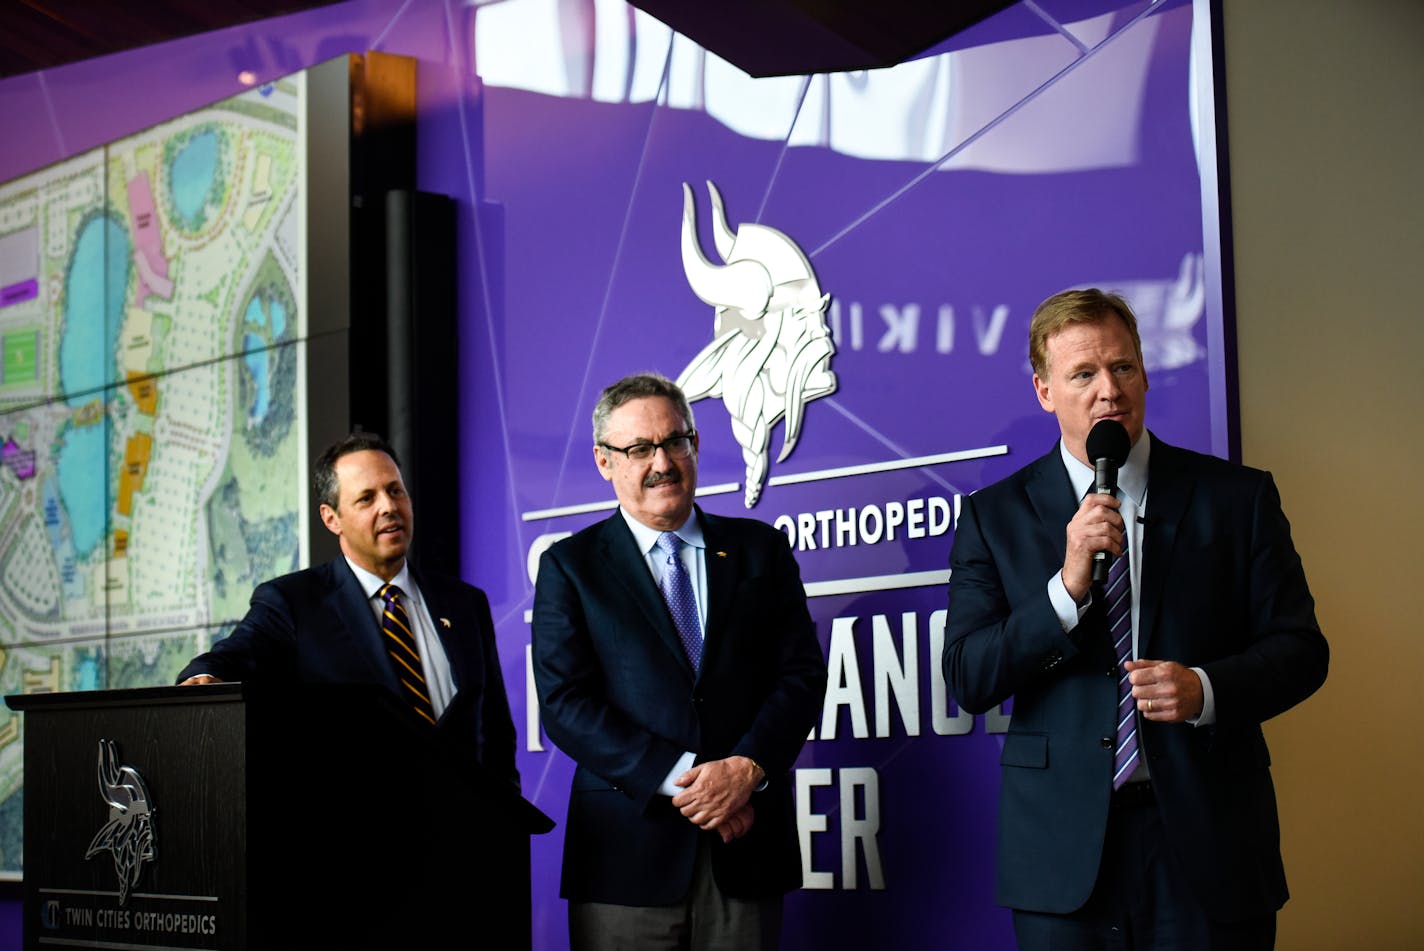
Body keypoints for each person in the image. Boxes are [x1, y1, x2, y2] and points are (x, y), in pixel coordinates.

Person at [943, 289, 1328, 949]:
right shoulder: (992, 516)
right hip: (1060, 856)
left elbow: (1301, 650)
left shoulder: (1237, 498)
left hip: (1208, 842)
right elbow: (969, 675)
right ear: (1044, 390)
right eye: (1083, 374)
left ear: (1145, 373)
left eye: (1122, 367)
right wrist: (1064, 589)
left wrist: (1205, 689)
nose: (1108, 391)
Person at [531, 372, 826, 950]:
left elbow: (801, 675)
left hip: (745, 850)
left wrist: (745, 772)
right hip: (625, 860)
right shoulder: (571, 567)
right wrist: (688, 782)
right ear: (603, 461)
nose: (662, 462)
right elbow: (565, 704)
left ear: (694, 444)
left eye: (676, 441)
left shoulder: (759, 550)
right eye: (639, 449)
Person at [177, 431, 517, 786]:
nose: (388, 506)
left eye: (395, 490)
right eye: (366, 498)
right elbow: (233, 656)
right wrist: (203, 676)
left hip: (468, 830)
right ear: (331, 518)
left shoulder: (464, 603)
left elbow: (495, 731)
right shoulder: (293, 602)